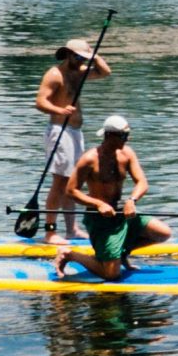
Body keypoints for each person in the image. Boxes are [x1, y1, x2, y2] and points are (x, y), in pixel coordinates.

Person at [53, 115, 170, 280]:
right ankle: (69, 254)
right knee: (112, 274)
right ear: (109, 136)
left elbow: (142, 182)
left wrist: (132, 200)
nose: (127, 139)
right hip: (100, 219)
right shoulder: (89, 159)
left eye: (127, 135)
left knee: (162, 233)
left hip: (122, 212)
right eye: (123, 136)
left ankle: (120, 253)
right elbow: (71, 191)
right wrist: (98, 204)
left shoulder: (127, 153)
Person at [34, 37, 111, 246]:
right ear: (68, 54)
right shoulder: (54, 75)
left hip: (75, 132)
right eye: (77, 56)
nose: (80, 61)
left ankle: (72, 230)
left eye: (83, 57)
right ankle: (50, 232)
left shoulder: (79, 73)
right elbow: (40, 102)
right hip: (59, 131)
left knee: (73, 182)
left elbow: (105, 72)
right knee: (59, 182)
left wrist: (93, 56)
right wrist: (60, 110)